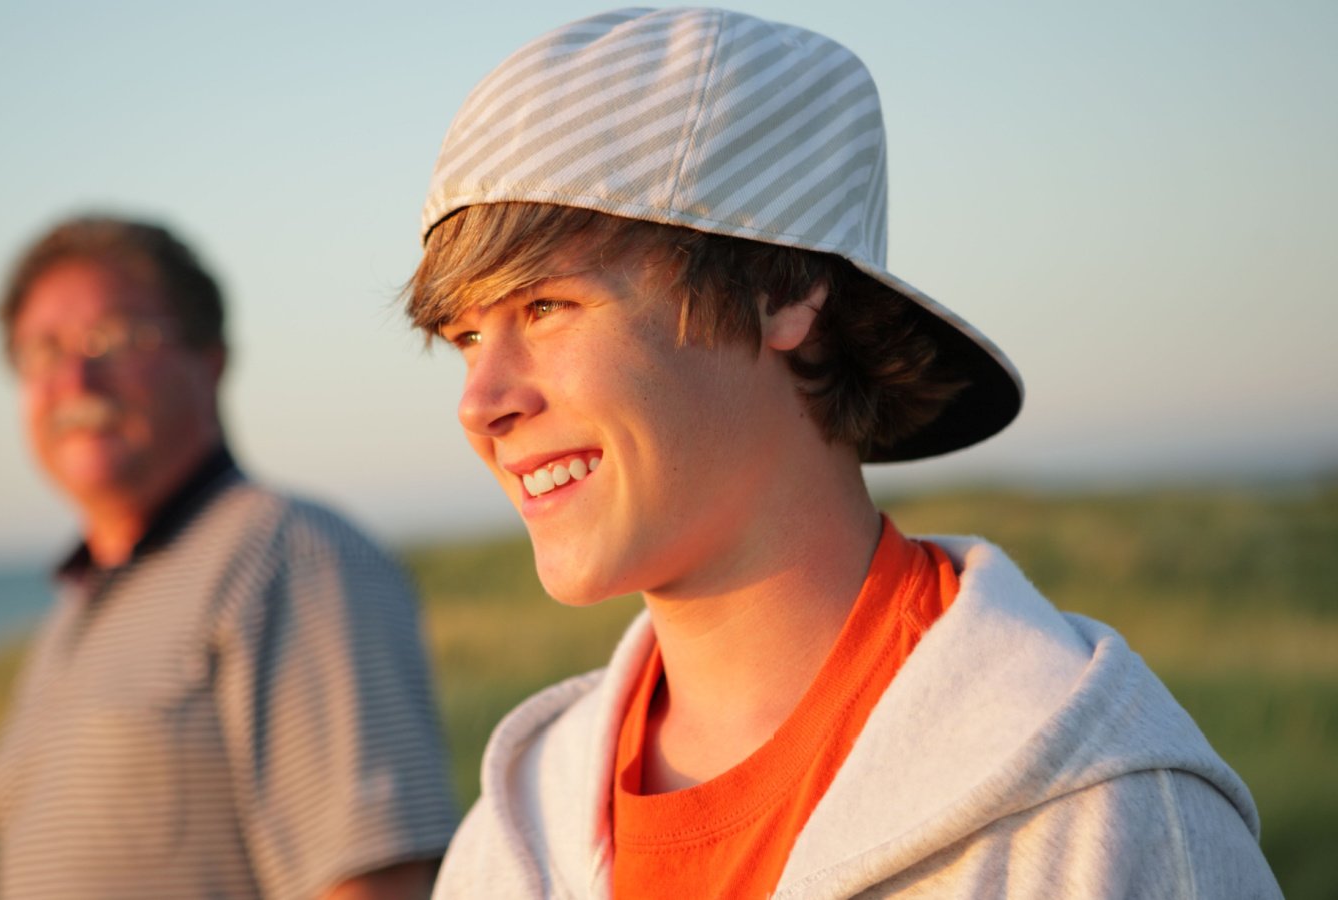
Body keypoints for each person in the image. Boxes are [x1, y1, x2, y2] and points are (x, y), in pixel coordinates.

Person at [404, 8, 1280, 898]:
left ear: (784, 290)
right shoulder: (511, 842)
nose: (481, 404)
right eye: (466, 335)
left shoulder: (1098, 821)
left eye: (546, 307)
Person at [0, 215, 458, 899]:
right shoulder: (71, 614)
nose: (75, 379)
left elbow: (374, 881)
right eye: (42, 351)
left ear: (210, 359)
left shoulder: (289, 558)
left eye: (111, 338)